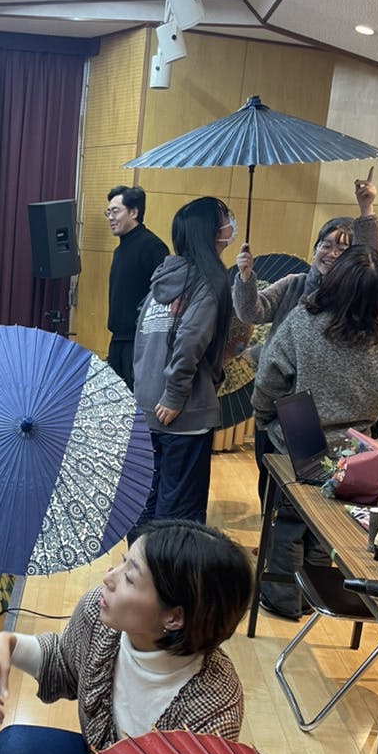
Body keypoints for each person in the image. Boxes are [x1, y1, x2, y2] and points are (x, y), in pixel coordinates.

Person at [0, 520, 252, 754]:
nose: (109, 577)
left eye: (130, 577)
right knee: (10, 751)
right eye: (123, 562)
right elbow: (64, 661)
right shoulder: (101, 617)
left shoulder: (215, 703)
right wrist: (5, 643)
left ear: (174, 618)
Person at [252, 245, 378, 618]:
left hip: (300, 432)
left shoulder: (303, 321)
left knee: (289, 520)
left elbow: (270, 378)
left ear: (335, 281)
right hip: (357, 445)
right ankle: (314, 599)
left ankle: (282, 599)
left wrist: (263, 416)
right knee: (329, 524)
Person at [233, 172, 378, 501]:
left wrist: (366, 210)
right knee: (270, 478)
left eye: (342, 248)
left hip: (325, 410)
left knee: (313, 492)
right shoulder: (295, 284)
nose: (331, 253)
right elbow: (252, 312)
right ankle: (270, 527)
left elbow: (372, 263)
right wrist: (245, 277)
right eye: (325, 245)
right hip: (279, 401)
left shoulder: (353, 300)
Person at [132, 196, 235, 528]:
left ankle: (142, 560)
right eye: (224, 220)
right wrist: (175, 395)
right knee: (178, 517)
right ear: (211, 233)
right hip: (183, 415)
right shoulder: (209, 282)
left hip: (148, 407)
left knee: (146, 505)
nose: (230, 226)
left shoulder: (160, 282)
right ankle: (161, 565)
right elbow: (190, 339)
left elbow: (142, 344)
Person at [104, 185, 169, 390]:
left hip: (140, 343)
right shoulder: (120, 249)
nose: (110, 217)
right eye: (108, 212)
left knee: (135, 402)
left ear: (133, 212)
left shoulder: (153, 246)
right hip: (118, 341)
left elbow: (163, 296)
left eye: (115, 211)